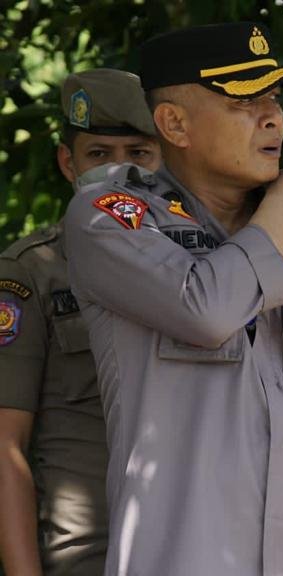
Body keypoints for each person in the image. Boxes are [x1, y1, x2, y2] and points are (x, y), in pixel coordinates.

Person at [62, 23, 283, 576]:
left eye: (274, 99)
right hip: (182, 557)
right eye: (244, 101)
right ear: (174, 123)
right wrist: (282, 212)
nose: (272, 117)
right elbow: (208, 310)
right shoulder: (112, 216)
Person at [0, 69, 161, 576]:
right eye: (99, 155)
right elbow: (5, 446)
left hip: (187, 544)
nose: (119, 172)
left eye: (138, 153)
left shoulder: (202, 271)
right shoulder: (30, 272)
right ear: (68, 163)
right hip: (85, 556)